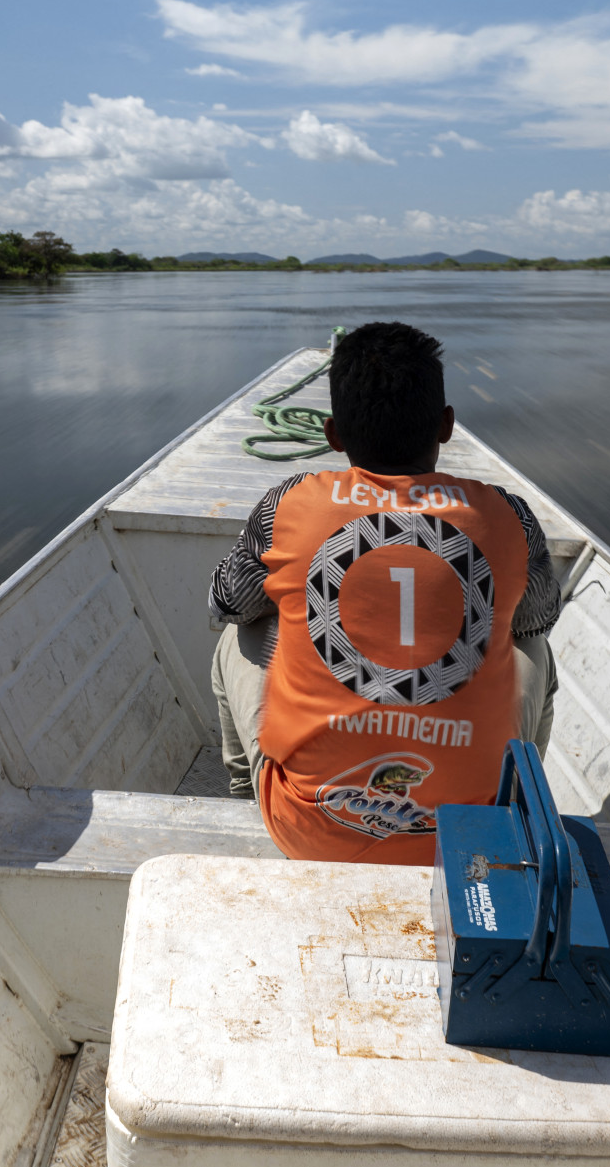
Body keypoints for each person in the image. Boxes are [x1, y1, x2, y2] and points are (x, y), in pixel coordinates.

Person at [208, 322, 561, 866]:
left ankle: (246, 794)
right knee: (532, 642)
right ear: (446, 425)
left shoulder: (288, 505)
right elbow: (538, 620)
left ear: (333, 435)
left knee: (239, 633)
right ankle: (515, 805)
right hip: (470, 833)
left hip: (309, 830)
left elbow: (225, 604)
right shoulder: (507, 516)